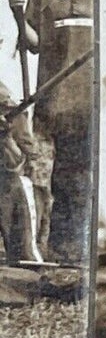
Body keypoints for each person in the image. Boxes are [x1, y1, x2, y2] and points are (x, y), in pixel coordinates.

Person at [9, 0, 92, 265]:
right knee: (68, 177)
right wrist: (15, 15)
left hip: (103, 95)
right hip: (63, 101)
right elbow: (35, 45)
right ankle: (66, 251)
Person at [0, 82, 39, 266]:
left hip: (7, 182)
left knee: (22, 255)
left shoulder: (9, 106)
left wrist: (6, 138)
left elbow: (19, 159)